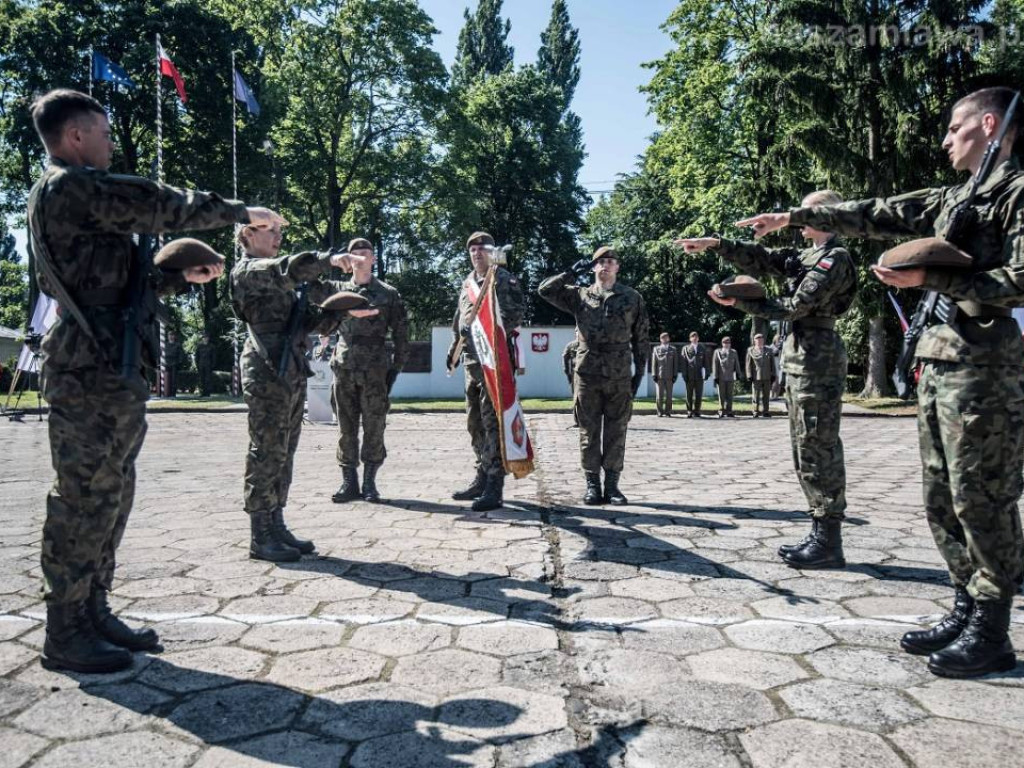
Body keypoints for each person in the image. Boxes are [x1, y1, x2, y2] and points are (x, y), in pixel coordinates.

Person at [730, 87, 1024, 678]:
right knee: (941, 497)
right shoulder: (954, 196)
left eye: (954, 126)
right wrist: (795, 217)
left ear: (989, 125)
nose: (944, 138)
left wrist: (938, 277)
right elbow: (875, 211)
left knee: (981, 496)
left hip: (988, 368)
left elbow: (1019, 277)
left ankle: (992, 628)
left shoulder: (1017, 194)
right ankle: (965, 604)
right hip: (942, 362)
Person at [27, 89, 279, 673]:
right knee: (83, 498)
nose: (112, 143)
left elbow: (117, 287)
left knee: (111, 494)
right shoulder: (68, 188)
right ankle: (64, 630)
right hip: (86, 369)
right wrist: (239, 212)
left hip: (111, 366)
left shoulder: (85, 199)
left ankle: (93, 609)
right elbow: (155, 203)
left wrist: (175, 278)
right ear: (74, 137)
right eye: (105, 133)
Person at [676, 189, 857, 572]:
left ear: (826, 216)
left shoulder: (834, 258)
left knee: (818, 443)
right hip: (802, 353)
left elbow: (797, 306)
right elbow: (766, 259)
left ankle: (829, 538)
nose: (796, 218)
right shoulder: (809, 256)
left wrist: (740, 303)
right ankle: (819, 531)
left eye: (805, 212)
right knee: (803, 445)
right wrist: (717, 244)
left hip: (818, 354)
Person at [233, 224, 377, 563]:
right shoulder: (249, 271)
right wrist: (330, 259)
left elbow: (310, 322)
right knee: (266, 450)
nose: (277, 236)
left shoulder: (281, 280)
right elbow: (288, 268)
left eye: (279, 231)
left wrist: (341, 310)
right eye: (269, 230)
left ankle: (276, 523)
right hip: (266, 367)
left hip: (291, 367)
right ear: (247, 235)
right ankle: (260, 534)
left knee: (284, 450)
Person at [539, 246, 649, 505]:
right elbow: (545, 290)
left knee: (616, 430)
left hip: (619, 372)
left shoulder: (632, 297)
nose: (605, 266)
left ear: (617, 267)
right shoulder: (580, 295)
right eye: (600, 262)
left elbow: (641, 337)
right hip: (587, 373)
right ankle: (592, 486)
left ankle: (612, 487)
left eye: (610, 262)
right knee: (588, 431)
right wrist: (569, 274)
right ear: (593, 267)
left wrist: (640, 372)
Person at [447, 232, 524, 511]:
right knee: (474, 422)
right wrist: (454, 345)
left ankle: (494, 485)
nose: (477, 253)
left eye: (482, 248)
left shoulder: (504, 279)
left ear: (492, 252)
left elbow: (516, 313)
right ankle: (480, 476)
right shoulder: (467, 283)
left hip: (494, 362)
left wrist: (484, 325)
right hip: (471, 363)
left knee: (493, 423)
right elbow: (460, 320)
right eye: (473, 249)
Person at [329, 238, 409, 504]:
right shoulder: (338, 292)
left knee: (375, 426)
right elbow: (323, 321)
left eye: (366, 254)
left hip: (376, 368)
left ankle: (370, 483)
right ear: (349, 260)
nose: (361, 258)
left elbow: (401, 333)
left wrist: (396, 367)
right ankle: (348, 483)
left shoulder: (388, 293)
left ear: (374, 259)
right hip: (344, 366)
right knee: (346, 427)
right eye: (355, 255)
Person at [745, 333, 776, 417]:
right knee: (756, 396)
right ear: (754, 341)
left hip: (767, 376)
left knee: (766, 395)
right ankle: (755, 411)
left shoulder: (769, 350)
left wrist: (774, 374)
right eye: (758, 340)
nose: (759, 341)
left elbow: (772, 363)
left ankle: (766, 411)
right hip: (756, 376)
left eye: (761, 339)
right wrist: (749, 375)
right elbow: (748, 364)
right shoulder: (750, 350)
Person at [650, 332, 680, 416]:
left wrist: (675, 375)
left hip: (670, 376)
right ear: (660, 339)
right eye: (663, 338)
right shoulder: (656, 349)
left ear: (669, 339)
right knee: (659, 396)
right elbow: (654, 363)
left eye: (666, 337)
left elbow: (675, 363)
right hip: (659, 376)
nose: (665, 339)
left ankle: (668, 412)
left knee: (669, 396)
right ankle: (660, 412)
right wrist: (653, 374)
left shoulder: (673, 349)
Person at [680, 331, 709, 417]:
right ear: (690, 339)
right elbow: (683, 363)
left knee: (699, 394)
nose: (694, 338)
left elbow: (706, 362)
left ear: (698, 338)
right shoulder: (685, 348)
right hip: (689, 375)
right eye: (692, 337)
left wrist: (707, 372)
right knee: (689, 394)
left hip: (699, 375)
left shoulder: (702, 348)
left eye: (696, 337)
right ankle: (689, 410)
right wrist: (684, 374)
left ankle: (697, 410)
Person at [711, 337, 741, 417]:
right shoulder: (718, 352)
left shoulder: (733, 352)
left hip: (730, 377)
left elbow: (736, 364)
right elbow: (715, 365)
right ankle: (721, 410)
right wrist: (715, 376)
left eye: (728, 343)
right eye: (725, 343)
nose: (727, 345)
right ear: (722, 344)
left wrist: (738, 373)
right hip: (721, 377)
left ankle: (729, 411)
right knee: (721, 395)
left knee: (730, 395)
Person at [562, 330, 581, 428]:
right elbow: (565, 358)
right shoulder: (571, 346)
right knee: (576, 398)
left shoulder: (589, 344)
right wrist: (567, 373)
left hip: (589, 375)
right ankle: (577, 420)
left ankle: (586, 421)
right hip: (575, 375)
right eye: (577, 332)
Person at [163, 330, 184, 397]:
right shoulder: (165, 344)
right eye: (169, 335)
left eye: (172, 335)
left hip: (174, 363)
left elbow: (181, 354)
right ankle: (167, 392)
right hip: (166, 363)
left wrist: (179, 362)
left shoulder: (178, 345)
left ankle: (173, 393)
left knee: (174, 379)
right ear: (167, 336)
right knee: (166, 379)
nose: (171, 337)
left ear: (174, 336)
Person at [195, 333, 215, 397]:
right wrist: (197, 364)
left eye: (206, 337)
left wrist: (213, 365)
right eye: (204, 337)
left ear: (208, 338)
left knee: (208, 379)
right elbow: (197, 356)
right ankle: (202, 392)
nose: (205, 339)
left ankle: (207, 393)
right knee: (201, 379)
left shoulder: (211, 346)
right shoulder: (199, 346)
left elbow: (214, 357)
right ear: (202, 338)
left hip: (208, 364)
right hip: (201, 364)